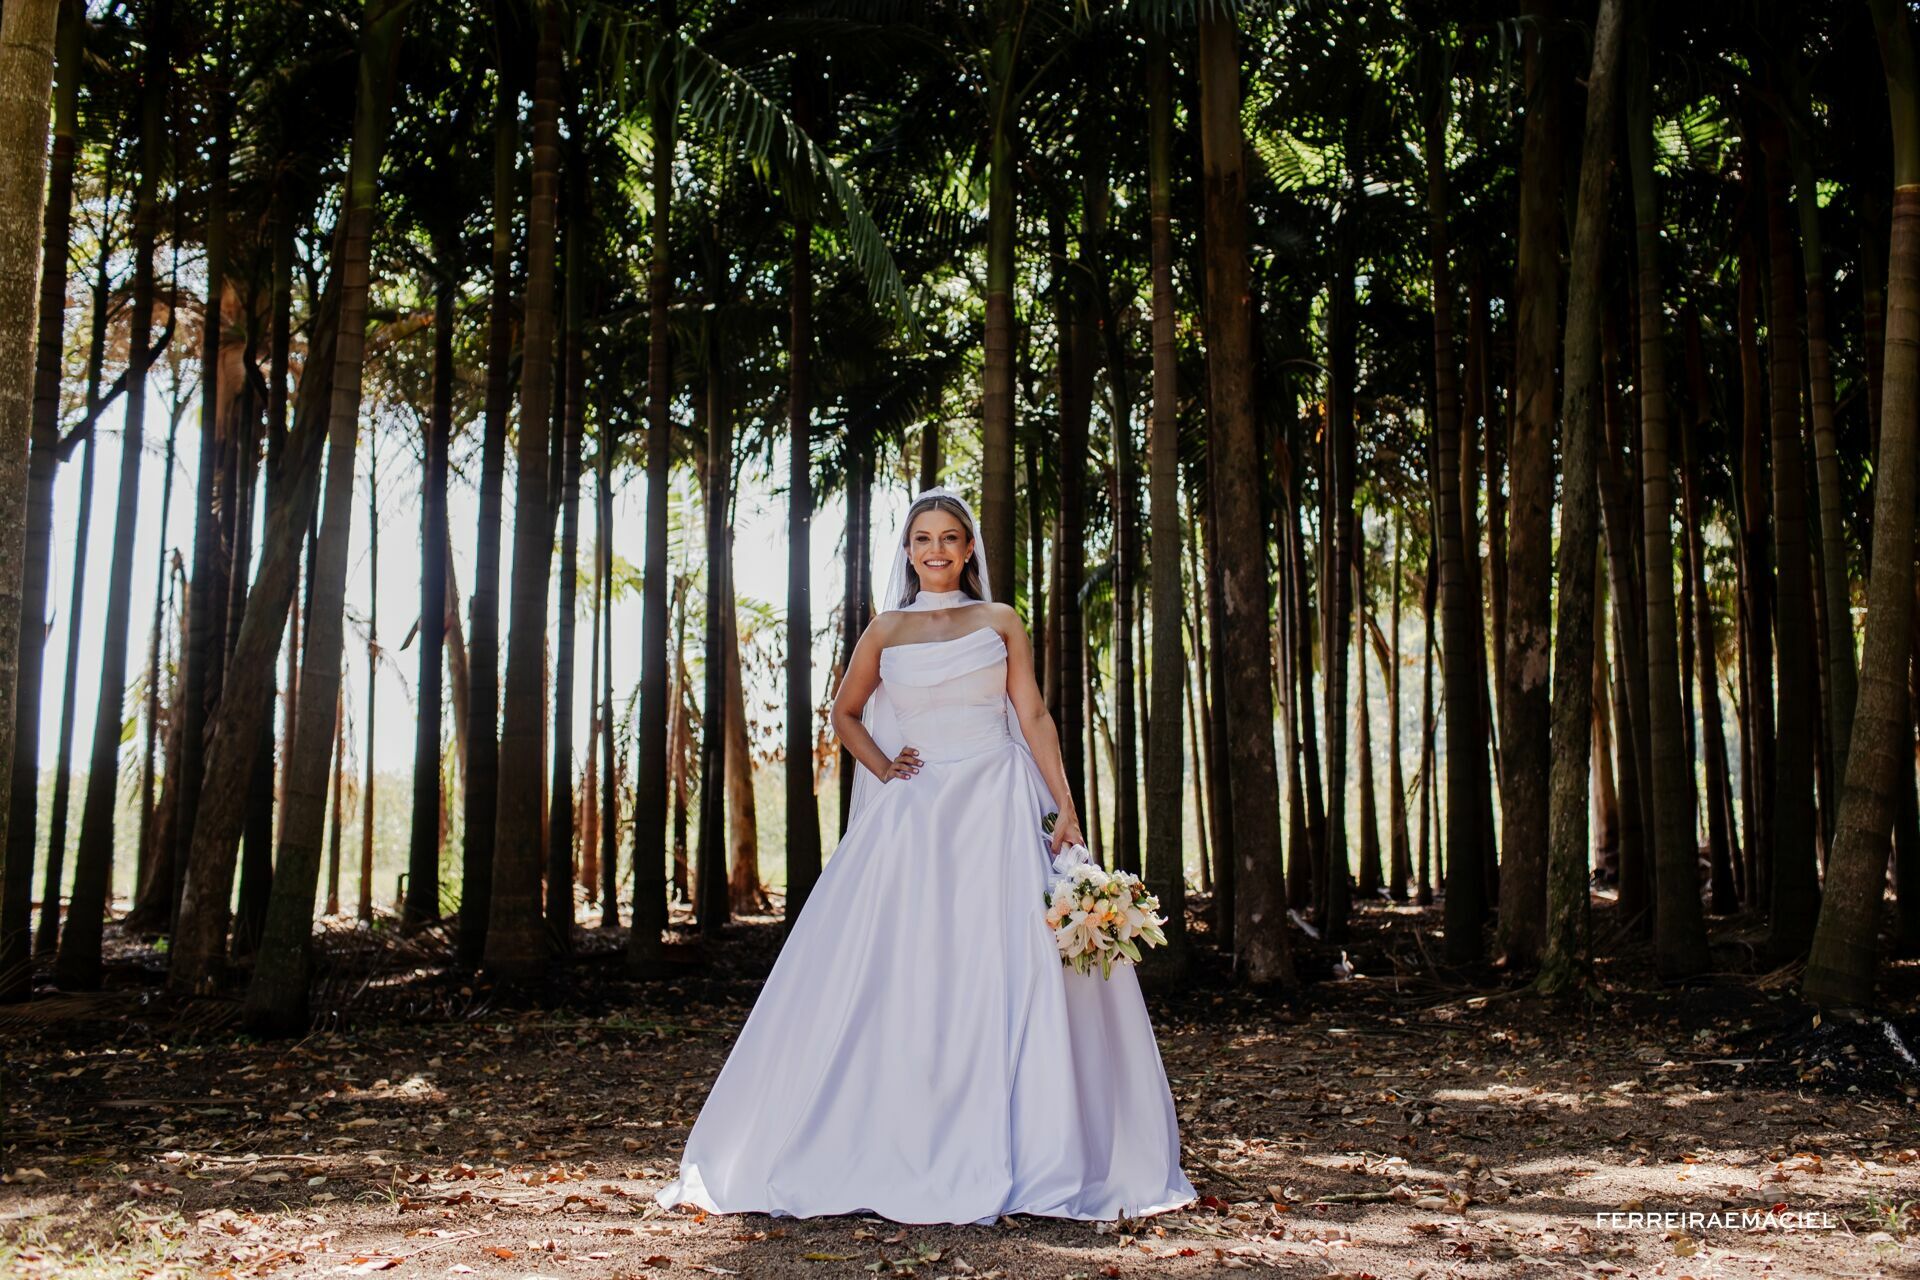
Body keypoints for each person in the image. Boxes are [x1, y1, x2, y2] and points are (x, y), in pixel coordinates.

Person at [654, 485, 1196, 1226]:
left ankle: (1033, 1140)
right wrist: (883, 769)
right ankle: (893, 1128)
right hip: (916, 813)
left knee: (1007, 959)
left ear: (970, 548)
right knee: (902, 961)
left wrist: (1064, 804)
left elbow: (1031, 713)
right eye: (921, 539)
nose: (935, 550)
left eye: (949, 537)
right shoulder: (885, 629)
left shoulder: (1001, 620)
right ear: (907, 552)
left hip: (998, 802)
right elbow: (844, 712)